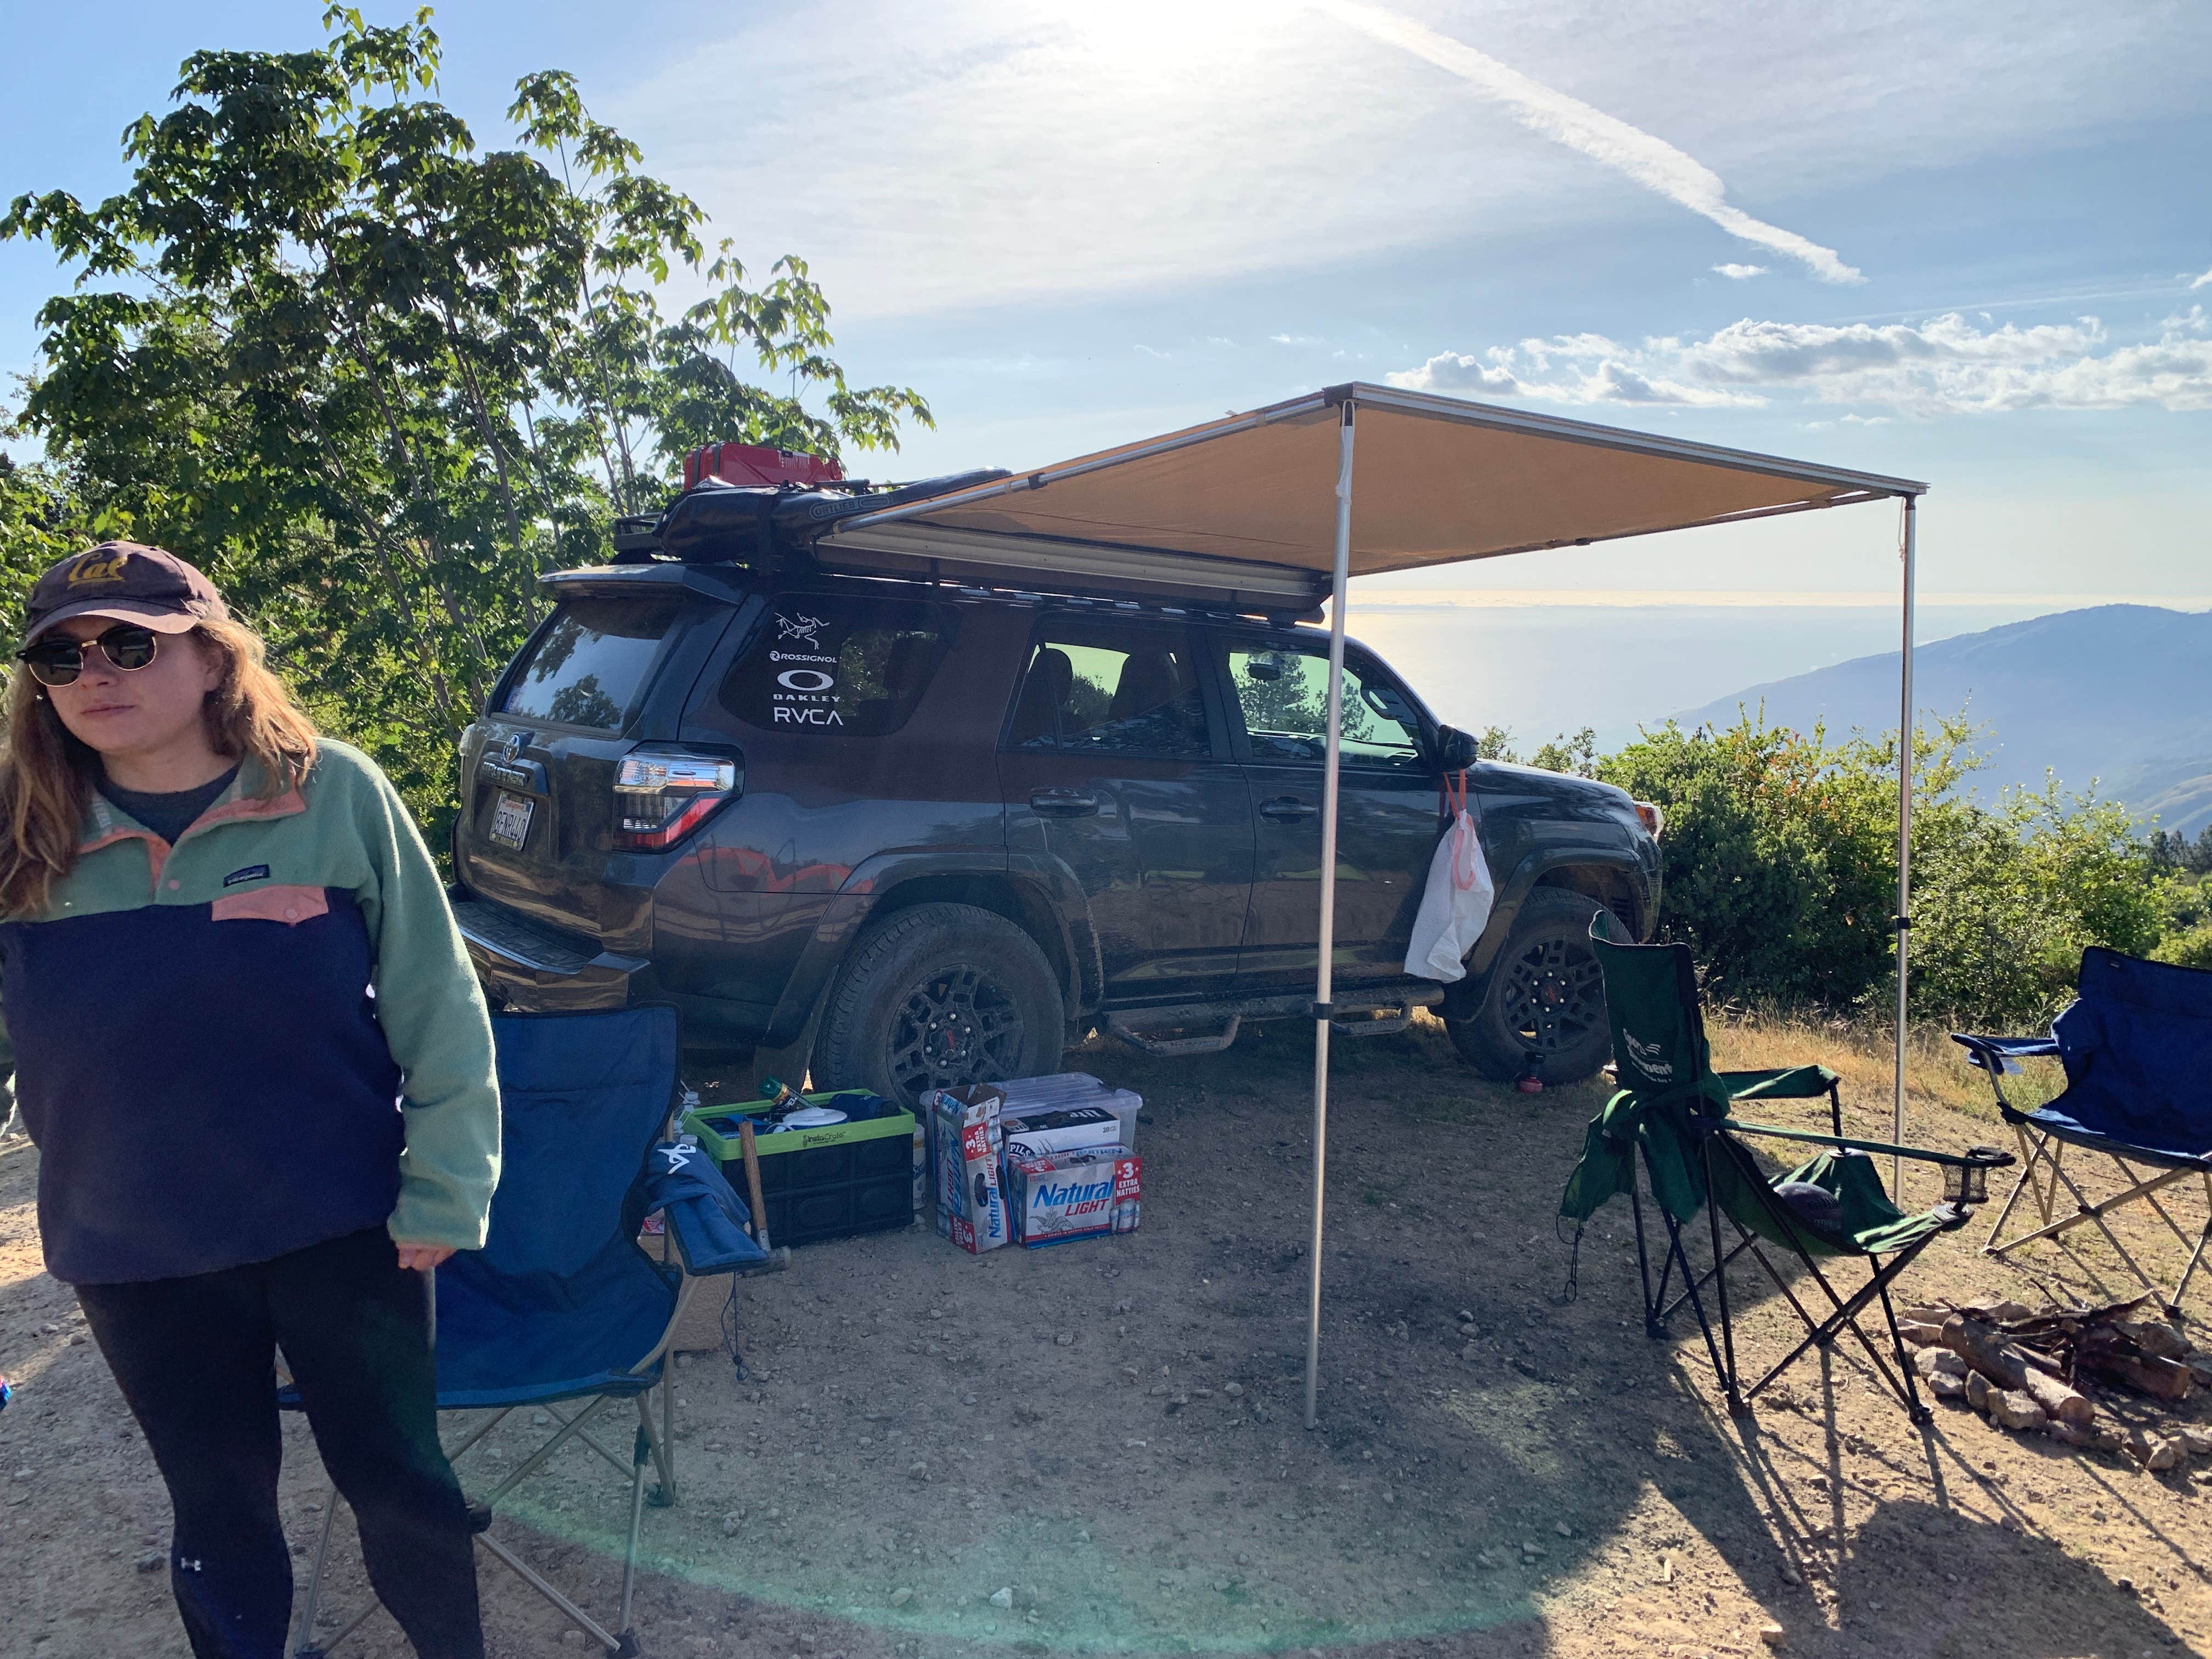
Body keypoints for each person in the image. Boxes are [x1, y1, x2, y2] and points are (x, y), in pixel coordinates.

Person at [0, 542, 500, 1659]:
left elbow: (439, 1005)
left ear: (217, 657)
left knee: (402, 1488)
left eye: (131, 644)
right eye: (61, 658)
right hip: (135, 1250)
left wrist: (446, 1189)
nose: (94, 673)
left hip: (344, 1227)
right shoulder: (16, 825)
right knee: (218, 1512)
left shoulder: (333, 792)